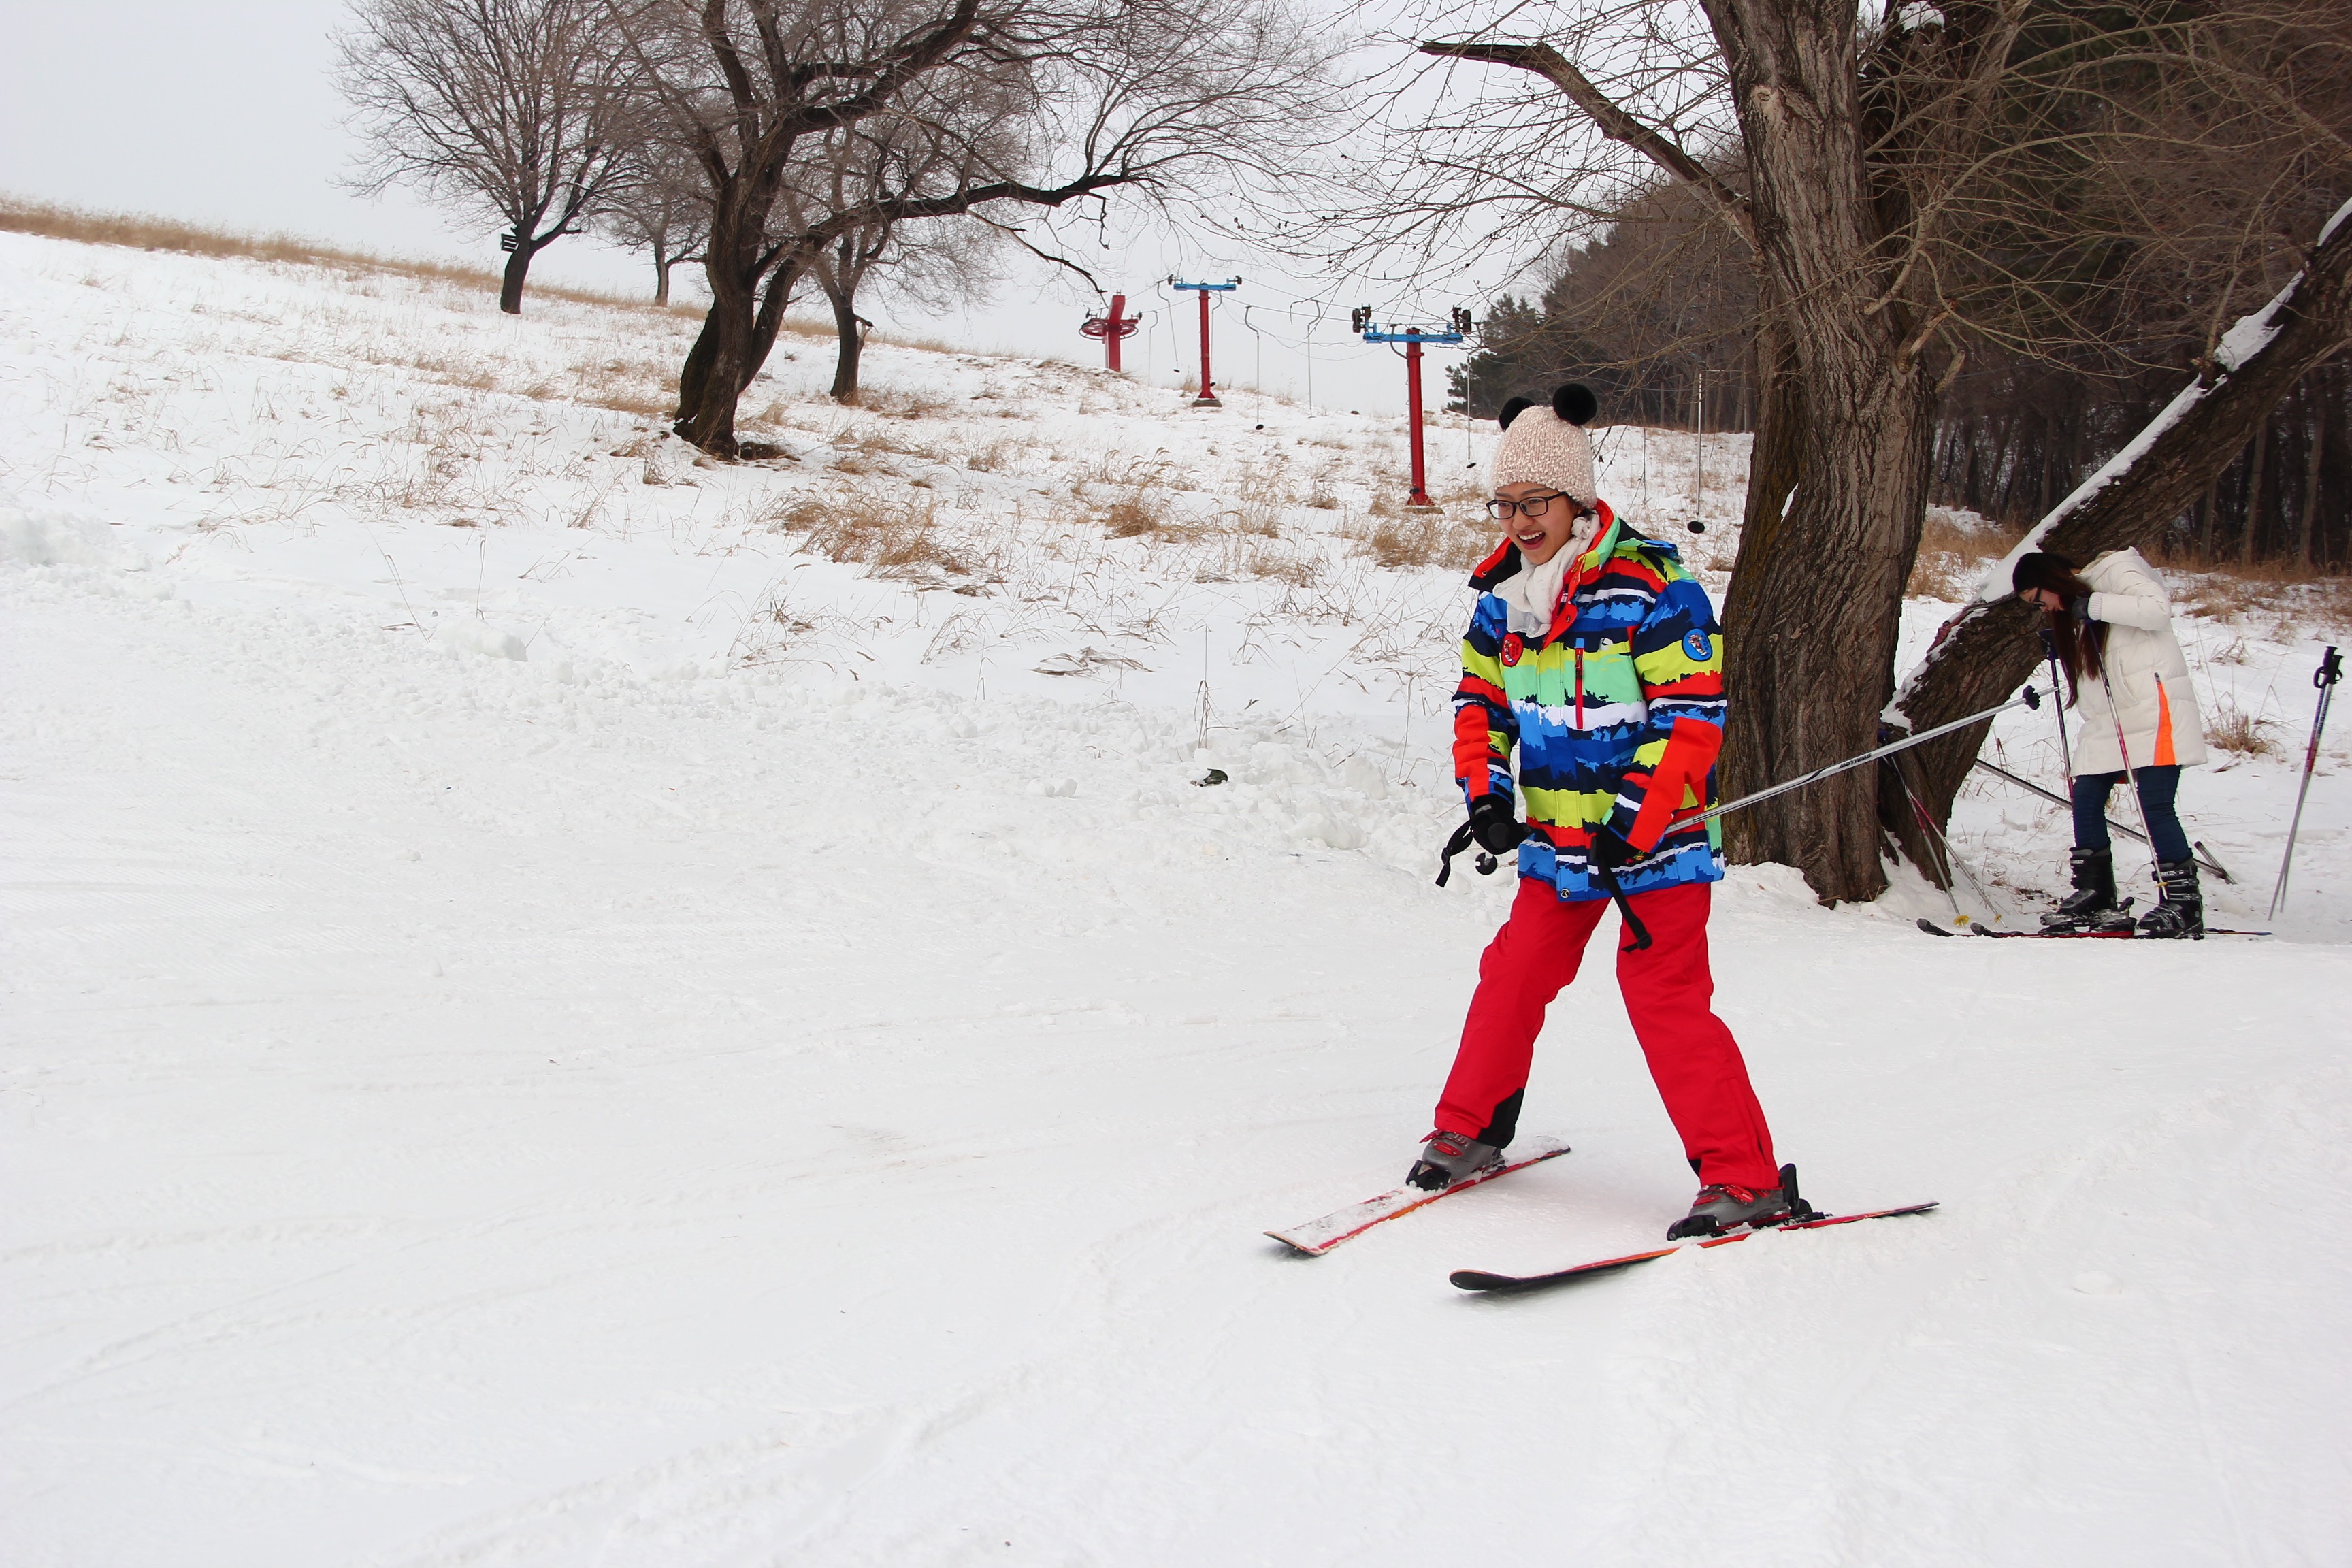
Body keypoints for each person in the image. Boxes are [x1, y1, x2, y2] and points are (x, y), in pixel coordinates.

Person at [1409, 382, 1786, 1241]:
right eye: (1504, 504)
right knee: (1513, 975)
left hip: (1654, 846)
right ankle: (1468, 1130)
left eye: (1533, 503)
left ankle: (1744, 1178)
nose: (1517, 521)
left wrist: (1635, 820)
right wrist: (1490, 797)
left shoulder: (1654, 587)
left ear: (1575, 497)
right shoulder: (1505, 597)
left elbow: (1692, 714)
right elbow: (1481, 703)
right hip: (1560, 848)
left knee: (1663, 997)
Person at [2012, 548, 2208, 937]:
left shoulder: (2117, 570)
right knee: (2085, 798)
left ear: (2053, 580)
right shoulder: (2079, 609)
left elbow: (2156, 609)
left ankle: (2184, 903)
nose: (2044, 609)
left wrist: (2094, 606)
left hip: (2153, 708)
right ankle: (2095, 894)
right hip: (2109, 720)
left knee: (2155, 803)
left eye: (2039, 600)